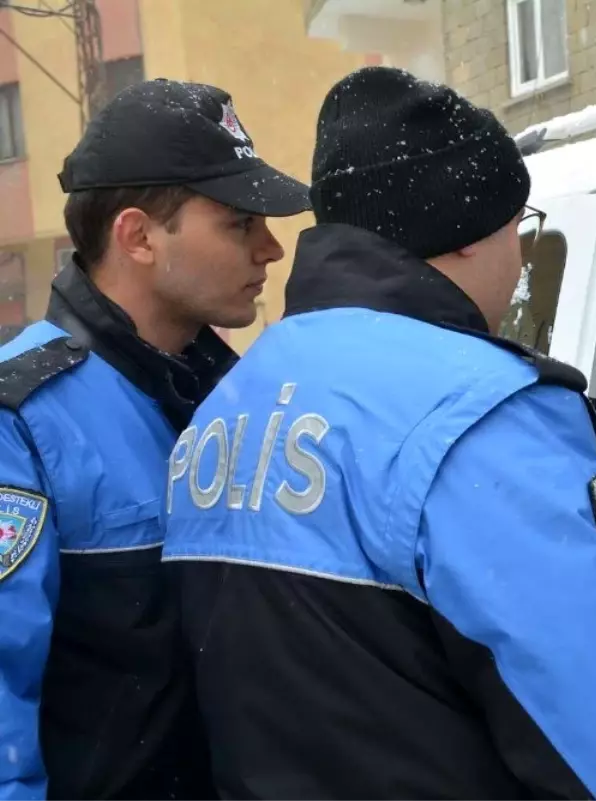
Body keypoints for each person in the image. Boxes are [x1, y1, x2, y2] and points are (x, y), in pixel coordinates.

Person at [161, 67, 596, 801]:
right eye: (516, 229)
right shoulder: (470, 417)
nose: (520, 258)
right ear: (461, 236)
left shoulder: (224, 411)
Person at [0, 79, 311, 801]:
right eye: (239, 223)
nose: (271, 249)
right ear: (137, 236)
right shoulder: (23, 422)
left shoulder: (252, 400)